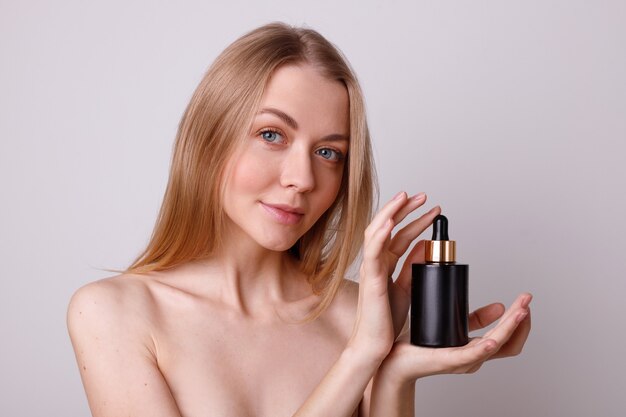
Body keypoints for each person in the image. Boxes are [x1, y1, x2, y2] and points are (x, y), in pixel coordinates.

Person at [66, 21, 532, 417]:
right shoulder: (115, 314)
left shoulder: (358, 316)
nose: (303, 178)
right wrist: (360, 357)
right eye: (272, 135)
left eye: (329, 152)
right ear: (210, 138)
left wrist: (392, 372)